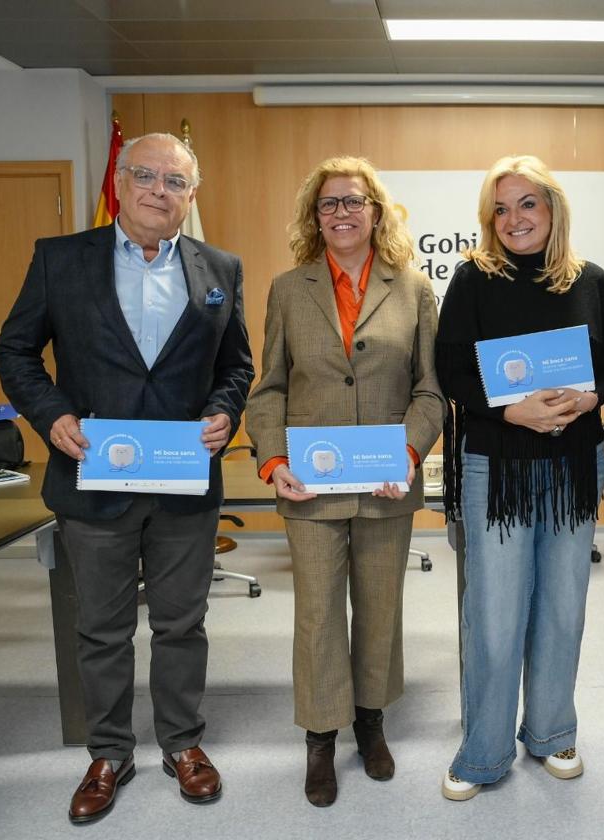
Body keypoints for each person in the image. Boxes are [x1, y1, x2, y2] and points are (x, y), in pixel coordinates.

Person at [0, 133, 254, 823]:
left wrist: (226, 412)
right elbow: (14, 350)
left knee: (181, 624)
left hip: (183, 484)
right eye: (145, 175)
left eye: (174, 182)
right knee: (102, 629)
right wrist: (50, 416)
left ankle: (182, 745)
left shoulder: (219, 267)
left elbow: (236, 367)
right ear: (119, 179)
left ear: (189, 197)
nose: (157, 191)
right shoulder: (60, 260)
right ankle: (107, 752)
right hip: (94, 479)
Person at [246, 156, 443, 807]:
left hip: (387, 486)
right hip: (311, 488)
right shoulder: (287, 288)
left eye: (353, 201)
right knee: (319, 616)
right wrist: (274, 462)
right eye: (329, 203)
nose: (342, 213)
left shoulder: (412, 289)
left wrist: (409, 454)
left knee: (380, 612)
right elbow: (269, 389)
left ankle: (371, 721)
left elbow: (430, 392)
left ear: (375, 211)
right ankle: (320, 738)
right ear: (315, 216)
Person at [435, 154, 604, 801]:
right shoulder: (471, 279)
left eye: (528, 204)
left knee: (563, 605)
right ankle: (483, 752)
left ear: (553, 209)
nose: (514, 218)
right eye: (502, 206)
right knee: (494, 611)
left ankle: (551, 733)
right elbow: (452, 372)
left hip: (573, 464)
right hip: (498, 466)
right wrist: (511, 408)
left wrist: (587, 401)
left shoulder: (591, 281)